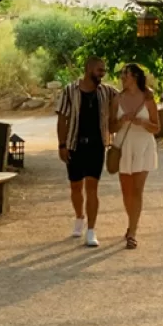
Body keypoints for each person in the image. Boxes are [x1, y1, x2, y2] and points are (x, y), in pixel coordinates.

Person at [56, 57, 118, 247]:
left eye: (103, 71)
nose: (102, 73)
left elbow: (127, 96)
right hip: (75, 144)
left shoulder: (107, 91)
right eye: (100, 70)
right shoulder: (69, 91)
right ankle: (79, 217)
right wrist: (62, 145)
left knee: (92, 186)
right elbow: (62, 119)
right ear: (89, 69)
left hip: (96, 145)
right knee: (75, 186)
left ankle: (91, 230)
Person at [110, 64, 160, 249]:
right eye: (122, 74)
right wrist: (121, 121)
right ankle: (131, 223)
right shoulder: (117, 99)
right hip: (123, 146)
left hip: (143, 147)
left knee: (137, 190)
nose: (123, 77)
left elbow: (157, 127)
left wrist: (143, 122)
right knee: (126, 191)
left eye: (126, 74)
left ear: (136, 77)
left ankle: (132, 231)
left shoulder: (148, 99)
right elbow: (111, 127)